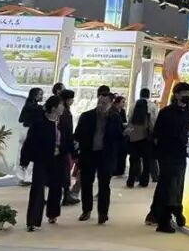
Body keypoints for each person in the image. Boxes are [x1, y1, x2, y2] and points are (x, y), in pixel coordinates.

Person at [148, 82, 189, 233]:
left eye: (188, 93)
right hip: (167, 154)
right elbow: (156, 133)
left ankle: (171, 211)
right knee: (168, 186)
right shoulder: (166, 112)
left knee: (177, 185)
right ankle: (164, 220)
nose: (186, 96)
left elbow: (187, 132)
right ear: (176, 95)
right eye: (184, 93)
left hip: (180, 153)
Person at [74, 92, 124, 224]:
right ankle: (86, 210)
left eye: (104, 103)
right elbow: (77, 134)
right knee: (86, 183)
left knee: (104, 185)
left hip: (106, 155)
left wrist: (125, 135)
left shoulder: (115, 117)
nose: (101, 105)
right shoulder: (86, 116)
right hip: (89, 154)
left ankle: (103, 213)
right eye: (99, 102)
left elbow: (118, 137)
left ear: (111, 104)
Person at [22, 96, 68, 231]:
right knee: (37, 189)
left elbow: (68, 139)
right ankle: (32, 221)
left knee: (56, 187)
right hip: (42, 159)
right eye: (61, 105)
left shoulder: (63, 122)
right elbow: (29, 142)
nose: (63, 108)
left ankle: (53, 214)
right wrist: (24, 160)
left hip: (58, 159)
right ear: (53, 108)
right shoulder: (40, 123)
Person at [125, 98, 155, 188]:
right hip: (145, 141)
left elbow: (129, 126)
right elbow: (151, 127)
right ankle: (144, 181)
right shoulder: (147, 116)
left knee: (134, 162)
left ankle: (130, 181)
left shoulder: (133, 116)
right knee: (146, 163)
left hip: (134, 141)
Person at [58, 89, 78, 205]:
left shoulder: (62, 111)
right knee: (65, 171)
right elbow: (67, 132)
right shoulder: (65, 113)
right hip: (64, 146)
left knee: (63, 171)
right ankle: (66, 195)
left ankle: (66, 194)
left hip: (61, 145)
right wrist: (72, 148)